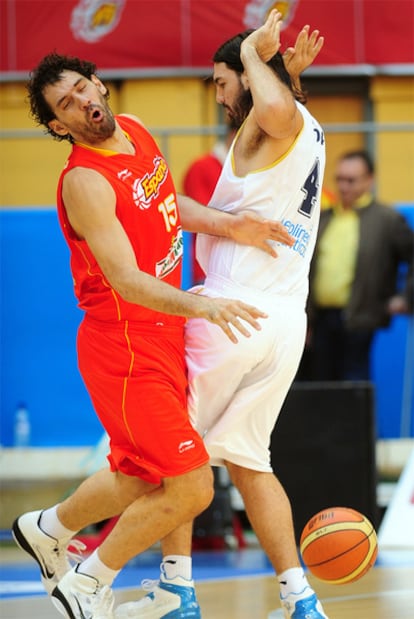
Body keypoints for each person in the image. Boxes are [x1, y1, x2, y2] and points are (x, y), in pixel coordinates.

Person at [11, 51, 295, 619]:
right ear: (58, 127)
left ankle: (46, 528)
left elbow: (168, 206)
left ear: (98, 84)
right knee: (192, 488)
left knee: (138, 475)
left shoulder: (137, 130)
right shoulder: (85, 182)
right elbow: (127, 280)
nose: (83, 101)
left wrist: (228, 224)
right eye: (66, 104)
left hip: (165, 333)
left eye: (82, 88)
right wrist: (204, 308)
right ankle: (88, 582)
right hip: (124, 345)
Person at [116, 12, 328, 619]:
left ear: (248, 77)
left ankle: (176, 590)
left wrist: (262, 56)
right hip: (285, 322)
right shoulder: (307, 131)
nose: (217, 93)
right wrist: (279, 68)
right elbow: (281, 106)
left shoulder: (270, 124)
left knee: (173, 456)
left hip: (232, 312)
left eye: (220, 80)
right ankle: (300, 599)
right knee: (252, 463)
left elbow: (274, 109)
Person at [304, 149, 414, 381]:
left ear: (369, 180)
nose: (344, 187)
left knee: (354, 387)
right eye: (340, 179)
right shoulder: (322, 218)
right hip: (320, 319)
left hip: (361, 318)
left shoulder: (387, 220)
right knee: (319, 389)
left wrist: (406, 297)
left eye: (351, 180)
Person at [183, 122, 236, 284]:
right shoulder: (201, 168)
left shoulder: (251, 171)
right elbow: (203, 219)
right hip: (208, 267)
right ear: (234, 134)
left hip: (240, 268)